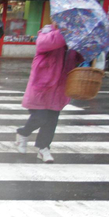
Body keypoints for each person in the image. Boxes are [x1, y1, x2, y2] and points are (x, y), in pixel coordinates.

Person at [16, 23, 83, 163]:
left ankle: (43, 148)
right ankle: (23, 132)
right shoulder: (48, 32)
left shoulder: (73, 38)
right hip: (42, 85)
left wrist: (82, 47)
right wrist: (66, 32)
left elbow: (77, 58)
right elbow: (43, 44)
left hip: (60, 87)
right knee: (40, 117)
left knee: (52, 120)